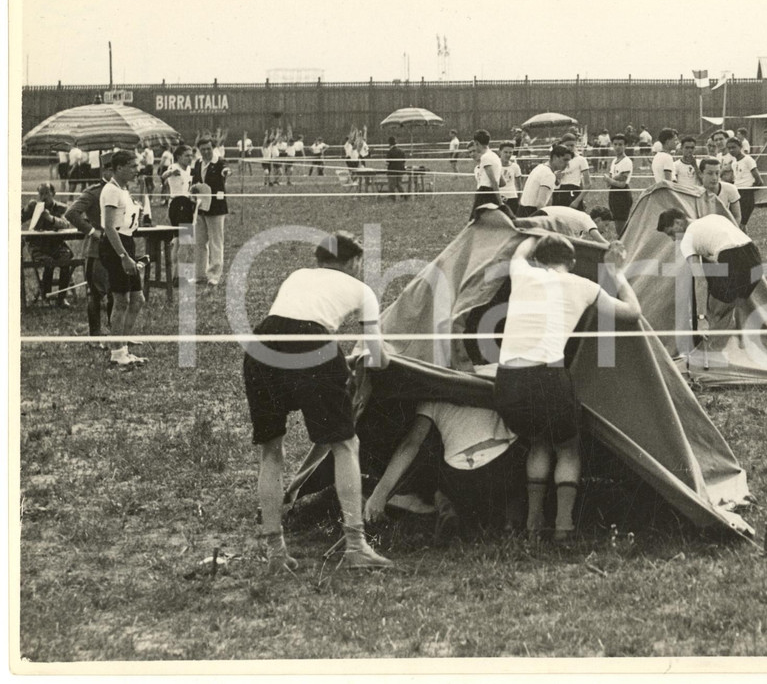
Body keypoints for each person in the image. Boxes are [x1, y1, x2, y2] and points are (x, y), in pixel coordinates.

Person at [244, 232, 393, 572]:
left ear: (320, 259)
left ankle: (275, 551)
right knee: (345, 444)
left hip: (262, 345)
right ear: (354, 262)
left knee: (271, 449)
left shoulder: (298, 276)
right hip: (312, 346)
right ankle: (356, 546)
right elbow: (378, 358)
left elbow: (290, 324)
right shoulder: (362, 290)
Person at [494, 234, 642, 540]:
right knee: (567, 447)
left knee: (538, 442)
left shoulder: (522, 272)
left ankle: (533, 521)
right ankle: (563, 525)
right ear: (572, 263)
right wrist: (615, 273)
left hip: (506, 382)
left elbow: (521, 249)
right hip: (546, 377)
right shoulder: (584, 286)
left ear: (538, 260)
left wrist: (537, 228)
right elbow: (632, 312)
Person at [364, 401, 525, 535]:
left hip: (460, 479)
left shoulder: (433, 391)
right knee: (524, 444)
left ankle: (445, 505)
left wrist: (380, 493)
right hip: (500, 469)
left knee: (428, 445)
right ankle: (511, 518)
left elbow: (411, 443)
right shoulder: (491, 376)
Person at [657, 209, 763, 335]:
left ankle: (711, 338)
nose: (673, 239)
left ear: (678, 223)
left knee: (713, 314)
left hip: (733, 258)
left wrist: (701, 318)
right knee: (726, 310)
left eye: (671, 233)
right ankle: (730, 338)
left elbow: (700, 281)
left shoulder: (687, 241)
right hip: (755, 259)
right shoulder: (714, 217)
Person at [99, 151, 148, 366]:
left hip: (126, 242)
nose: (136, 170)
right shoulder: (111, 190)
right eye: (132, 166)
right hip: (115, 246)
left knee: (137, 299)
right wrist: (123, 256)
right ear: (119, 168)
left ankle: (123, 348)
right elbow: (109, 227)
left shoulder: (123, 190)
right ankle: (116, 353)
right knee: (121, 301)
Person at [66, 156, 114, 339]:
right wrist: (92, 231)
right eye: (112, 170)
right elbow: (71, 213)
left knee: (115, 293)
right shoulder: (94, 192)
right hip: (97, 250)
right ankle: (95, 335)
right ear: (106, 171)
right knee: (95, 293)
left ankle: (115, 333)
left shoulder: (122, 192)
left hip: (117, 248)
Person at [21, 182, 76, 308]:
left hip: (56, 245)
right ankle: (46, 296)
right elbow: (18, 218)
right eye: (41, 194)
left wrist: (50, 218)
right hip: (38, 246)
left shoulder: (61, 207)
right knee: (48, 262)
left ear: (53, 194)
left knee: (66, 259)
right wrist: (28, 209)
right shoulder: (34, 206)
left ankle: (61, 298)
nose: (43, 197)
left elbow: (66, 224)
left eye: (47, 193)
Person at [191, 138, 231, 286]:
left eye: (208, 148)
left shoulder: (219, 162)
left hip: (216, 207)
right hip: (200, 207)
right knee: (200, 242)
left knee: (215, 241)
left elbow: (226, 169)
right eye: (203, 149)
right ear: (199, 150)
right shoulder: (198, 163)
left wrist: (226, 172)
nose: (206, 152)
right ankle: (200, 275)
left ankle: (214, 275)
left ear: (213, 148)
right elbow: (195, 180)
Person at [161, 143, 196, 283]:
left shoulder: (189, 169)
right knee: (185, 240)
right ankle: (180, 276)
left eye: (191, 155)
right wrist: (170, 173)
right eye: (187, 156)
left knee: (178, 241)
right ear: (178, 157)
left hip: (186, 204)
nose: (190, 158)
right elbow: (164, 175)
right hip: (178, 204)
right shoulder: (174, 167)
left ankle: (175, 275)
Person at [518, 144, 572, 216]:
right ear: (555, 157)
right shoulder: (548, 174)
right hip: (532, 213)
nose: (567, 164)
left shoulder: (541, 167)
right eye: (565, 160)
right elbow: (540, 204)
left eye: (568, 161)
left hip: (523, 211)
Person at [726, 137, 763, 231]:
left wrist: (749, 191)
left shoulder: (748, 160)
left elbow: (759, 181)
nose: (731, 150)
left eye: (734, 147)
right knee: (735, 222)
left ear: (740, 147)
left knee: (741, 223)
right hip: (736, 193)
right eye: (729, 148)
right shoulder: (734, 162)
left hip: (746, 194)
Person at [527, 205, 614, 244]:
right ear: (598, 220)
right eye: (606, 225)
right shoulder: (587, 219)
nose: (606, 229)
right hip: (543, 216)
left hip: (545, 217)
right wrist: (613, 247)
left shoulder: (580, 227)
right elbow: (599, 239)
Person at [470, 129, 505, 218]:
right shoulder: (494, 156)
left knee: (475, 221)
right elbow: (501, 182)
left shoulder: (485, 157)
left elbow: (494, 181)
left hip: (485, 194)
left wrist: (500, 201)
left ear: (477, 143)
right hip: (490, 192)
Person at [553, 133, 590, 210]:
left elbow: (588, 184)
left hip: (573, 192)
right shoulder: (558, 159)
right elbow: (554, 183)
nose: (569, 148)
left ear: (576, 145)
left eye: (572, 145)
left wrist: (577, 201)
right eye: (567, 145)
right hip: (559, 192)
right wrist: (555, 177)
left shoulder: (581, 160)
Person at [606, 133, 634, 235]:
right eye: (615, 144)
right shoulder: (614, 161)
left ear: (625, 146)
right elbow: (608, 183)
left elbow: (622, 184)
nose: (617, 147)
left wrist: (610, 180)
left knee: (621, 226)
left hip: (622, 194)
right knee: (617, 224)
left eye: (620, 144)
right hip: (613, 193)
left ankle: (625, 242)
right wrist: (613, 179)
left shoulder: (627, 161)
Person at [498, 141, 522, 214]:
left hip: (512, 198)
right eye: (505, 152)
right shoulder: (495, 166)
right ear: (500, 152)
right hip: (498, 197)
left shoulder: (515, 166)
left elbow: (519, 186)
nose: (508, 155)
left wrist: (519, 199)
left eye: (510, 152)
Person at [385, 136, 407, 200]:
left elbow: (387, 163)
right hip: (400, 170)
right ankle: (404, 195)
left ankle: (393, 198)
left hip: (392, 171)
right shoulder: (401, 151)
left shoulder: (390, 152)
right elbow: (404, 161)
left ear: (389, 143)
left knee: (391, 185)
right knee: (399, 184)